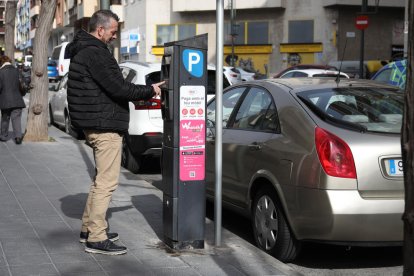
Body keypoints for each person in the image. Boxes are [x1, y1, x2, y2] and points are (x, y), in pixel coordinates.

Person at [65, 10, 163, 255]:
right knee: (107, 183)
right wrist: (150, 90)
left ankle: (89, 229)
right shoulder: (96, 53)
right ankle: (96, 238)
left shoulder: (84, 50)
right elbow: (119, 88)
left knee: (100, 181)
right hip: (104, 126)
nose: (114, 36)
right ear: (100, 30)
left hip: (96, 123)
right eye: (113, 32)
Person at [0, 55, 26, 144]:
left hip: (5, 100)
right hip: (17, 99)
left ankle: (3, 136)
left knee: (5, 118)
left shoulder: (1, 72)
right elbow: (23, 84)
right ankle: (18, 137)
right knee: (16, 119)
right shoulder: (17, 71)